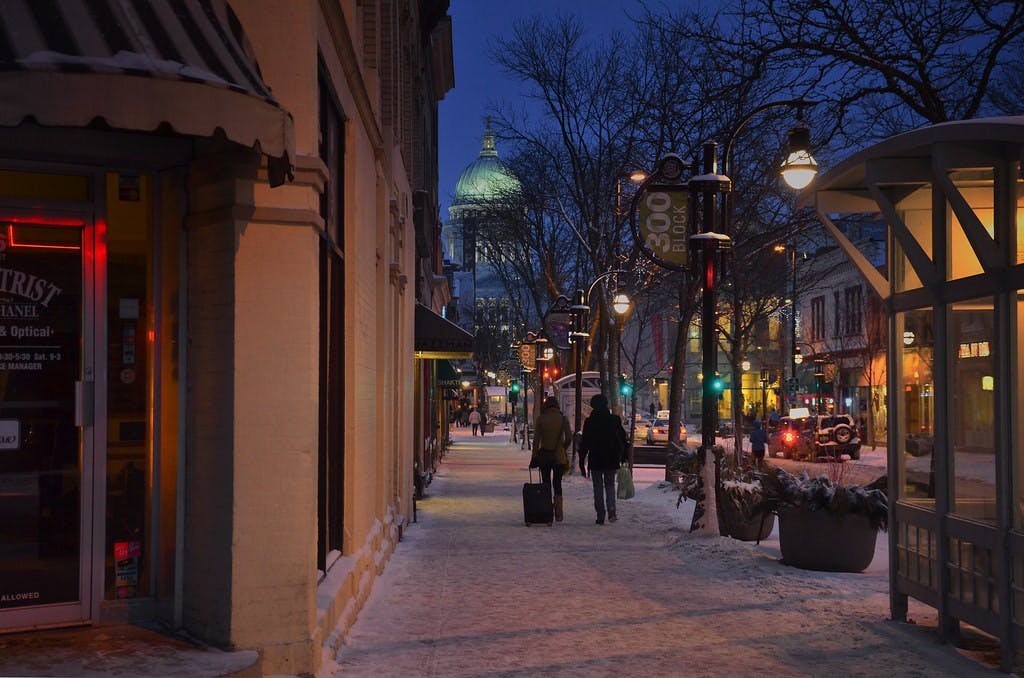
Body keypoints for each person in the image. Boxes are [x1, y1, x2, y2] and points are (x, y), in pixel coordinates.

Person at [578, 393, 628, 525]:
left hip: (595, 458)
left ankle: (600, 514)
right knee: (610, 485)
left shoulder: (589, 422)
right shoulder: (614, 420)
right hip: (611, 458)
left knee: (598, 487)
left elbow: (585, 443)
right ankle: (611, 509)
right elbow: (622, 438)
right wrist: (624, 455)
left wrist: (582, 460)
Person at [531, 396, 572, 522]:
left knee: (546, 483)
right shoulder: (563, 419)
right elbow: (569, 437)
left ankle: (547, 509)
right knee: (557, 483)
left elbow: (536, 440)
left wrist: (534, 456)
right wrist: (562, 448)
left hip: (545, 455)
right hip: (559, 456)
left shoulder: (541, 419)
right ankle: (558, 512)